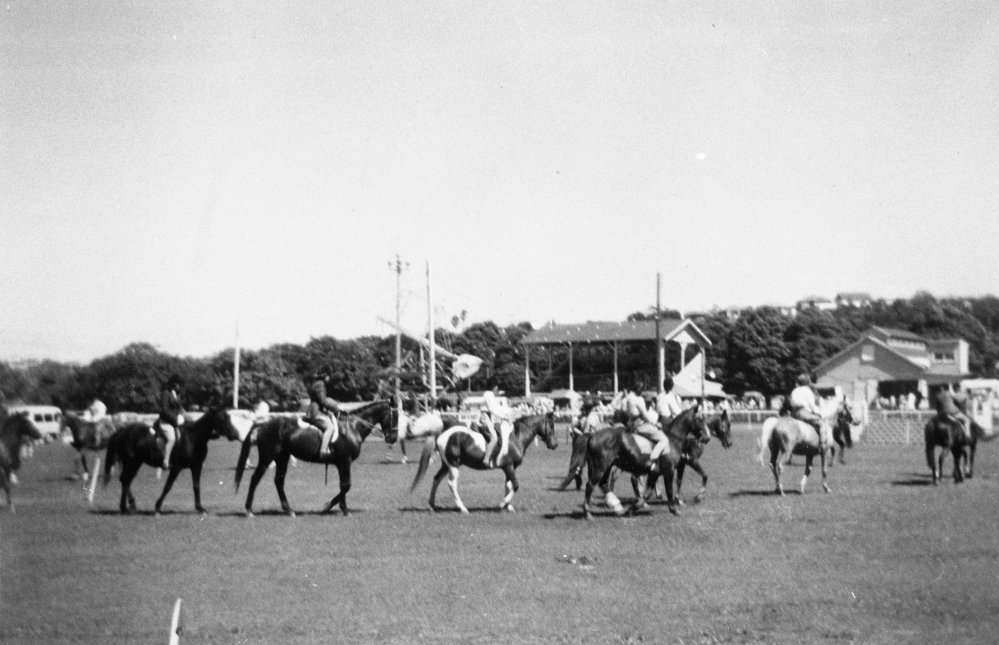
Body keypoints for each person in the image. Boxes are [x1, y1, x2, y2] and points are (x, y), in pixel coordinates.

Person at [623, 378, 671, 461]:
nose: (642, 392)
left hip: (631, 425)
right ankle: (652, 460)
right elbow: (646, 417)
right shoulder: (639, 400)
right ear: (638, 389)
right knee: (664, 439)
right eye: (642, 389)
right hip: (641, 426)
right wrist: (656, 424)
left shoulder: (628, 398)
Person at [303, 372, 340, 457]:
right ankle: (323, 451)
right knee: (330, 428)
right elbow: (323, 401)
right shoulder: (320, 384)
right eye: (328, 376)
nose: (329, 378)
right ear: (325, 376)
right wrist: (335, 407)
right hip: (316, 412)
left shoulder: (317, 383)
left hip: (318, 410)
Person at [480, 386, 512, 468]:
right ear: (493, 387)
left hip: (489, 417)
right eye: (496, 389)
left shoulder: (491, 395)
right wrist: (504, 417)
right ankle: (486, 459)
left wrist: (506, 413)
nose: (497, 391)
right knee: (494, 438)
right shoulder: (488, 394)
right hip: (485, 417)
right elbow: (493, 409)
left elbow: (497, 408)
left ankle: (495, 458)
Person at [158, 375, 185, 469]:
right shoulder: (165, 393)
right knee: (172, 439)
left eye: (180, 385)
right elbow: (164, 409)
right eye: (178, 384)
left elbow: (179, 407)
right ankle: (166, 460)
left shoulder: (178, 394)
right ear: (173, 384)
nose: (179, 386)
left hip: (176, 420)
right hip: (166, 420)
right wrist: (175, 420)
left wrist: (183, 413)